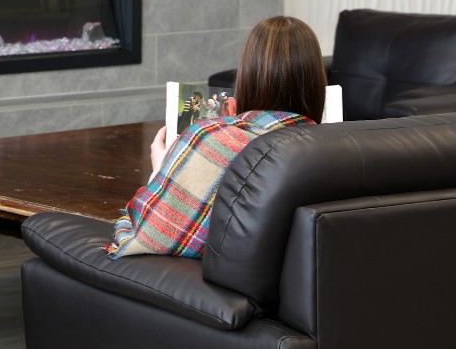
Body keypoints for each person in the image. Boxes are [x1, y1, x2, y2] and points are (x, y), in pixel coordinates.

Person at [107, 16, 326, 259]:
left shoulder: (207, 137)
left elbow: (149, 236)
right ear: (317, 81)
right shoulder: (334, 149)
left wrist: (159, 172)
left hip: (218, 283)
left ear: (247, 75)